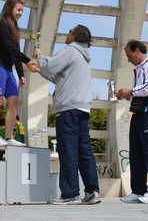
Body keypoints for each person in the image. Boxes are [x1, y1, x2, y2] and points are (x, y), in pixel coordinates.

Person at [33, 24, 101, 205]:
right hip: (82, 108)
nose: (67, 33)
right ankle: (92, 191)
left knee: (68, 151)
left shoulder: (70, 50)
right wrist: (39, 70)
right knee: (84, 151)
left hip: (68, 109)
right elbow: (58, 77)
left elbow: (49, 64)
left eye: (70, 31)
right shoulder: (85, 56)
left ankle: (70, 193)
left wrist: (39, 56)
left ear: (75, 36)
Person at [116, 39, 148, 204]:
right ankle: (138, 190)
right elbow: (138, 95)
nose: (128, 60)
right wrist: (126, 95)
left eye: (129, 56)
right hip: (138, 114)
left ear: (138, 51)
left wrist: (131, 91)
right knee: (136, 154)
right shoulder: (139, 69)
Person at [0, 0, 35, 147]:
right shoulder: (2, 21)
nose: (21, 13)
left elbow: (15, 52)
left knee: (13, 103)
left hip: (8, 70)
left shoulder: (14, 27)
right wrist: (28, 60)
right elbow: (8, 47)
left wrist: (21, 74)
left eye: (22, 11)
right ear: (9, 8)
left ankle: (9, 137)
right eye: (18, 10)